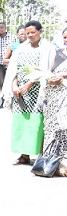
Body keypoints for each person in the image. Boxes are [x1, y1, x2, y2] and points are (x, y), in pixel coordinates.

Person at [4, 20, 54, 165]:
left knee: (37, 123)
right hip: (20, 93)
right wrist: (14, 85)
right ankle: (24, 155)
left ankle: (40, 156)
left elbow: (47, 71)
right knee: (21, 123)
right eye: (27, 33)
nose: (30, 35)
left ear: (40, 31)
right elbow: (14, 69)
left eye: (33, 32)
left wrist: (30, 83)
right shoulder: (21, 49)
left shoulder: (47, 48)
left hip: (37, 93)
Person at [41, 27, 67, 177]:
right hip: (53, 97)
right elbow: (47, 72)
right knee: (53, 128)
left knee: (64, 127)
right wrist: (51, 79)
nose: (66, 40)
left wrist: (64, 75)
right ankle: (51, 163)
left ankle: (63, 161)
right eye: (65, 37)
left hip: (65, 97)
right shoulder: (57, 53)